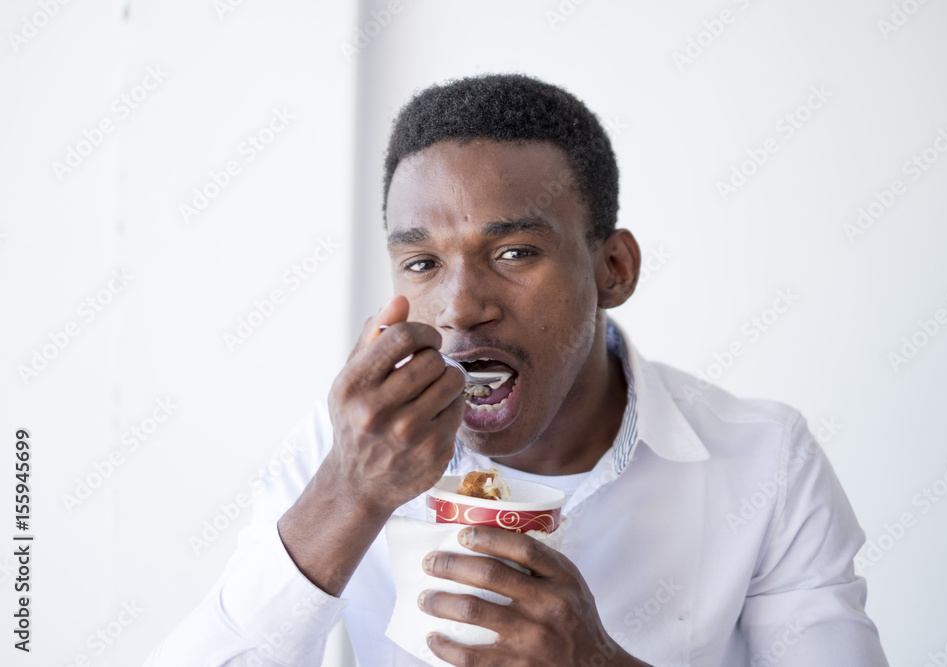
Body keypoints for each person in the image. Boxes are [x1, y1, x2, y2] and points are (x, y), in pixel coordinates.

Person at [145, 73, 890, 666]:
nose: (461, 307)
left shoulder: (764, 459)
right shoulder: (348, 444)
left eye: (513, 253)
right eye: (422, 263)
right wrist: (348, 494)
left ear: (613, 268)